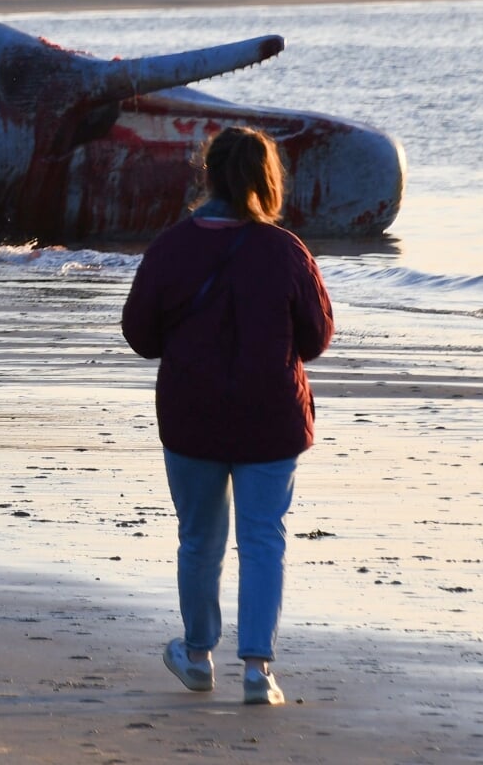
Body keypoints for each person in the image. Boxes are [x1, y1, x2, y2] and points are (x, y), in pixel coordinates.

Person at [120, 126, 334, 707]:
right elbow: (316, 338)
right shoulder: (286, 250)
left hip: (192, 413)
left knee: (199, 539)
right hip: (271, 415)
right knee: (263, 539)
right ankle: (258, 670)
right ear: (267, 177)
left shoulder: (171, 246)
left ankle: (196, 656)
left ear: (207, 172)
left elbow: (139, 334)